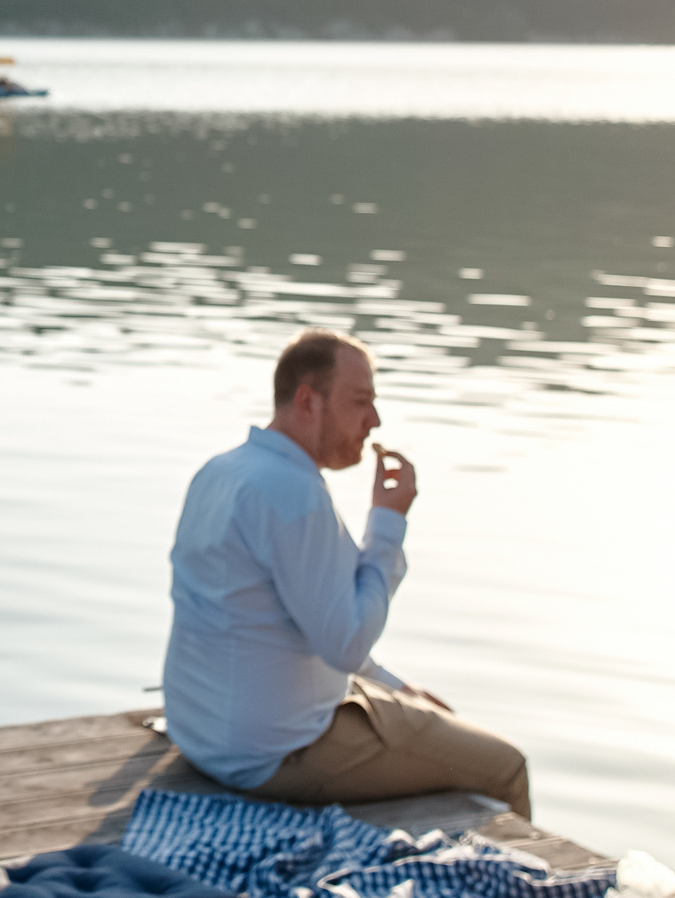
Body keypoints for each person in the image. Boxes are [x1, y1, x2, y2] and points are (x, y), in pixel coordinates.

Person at [160, 328, 532, 818]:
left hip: (201, 733)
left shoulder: (222, 471)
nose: (374, 422)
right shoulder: (295, 495)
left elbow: (309, 627)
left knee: (423, 712)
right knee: (507, 766)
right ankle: (513, 889)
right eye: (361, 402)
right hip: (275, 753)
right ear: (308, 401)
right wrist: (388, 522)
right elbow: (347, 643)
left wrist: (396, 688)